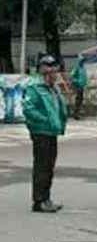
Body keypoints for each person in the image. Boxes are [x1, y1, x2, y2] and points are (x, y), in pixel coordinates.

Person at [22, 55, 68, 213]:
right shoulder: (34, 88)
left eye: (56, 70)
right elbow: (28, 109)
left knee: (49, 167)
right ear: (44, 71)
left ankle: (46, 198)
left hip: (52, 131)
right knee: (42, 167)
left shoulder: (53, 88)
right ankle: (39, 201)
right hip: (41, 132)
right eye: (53, 71)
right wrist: (45, 121)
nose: (56, 74)